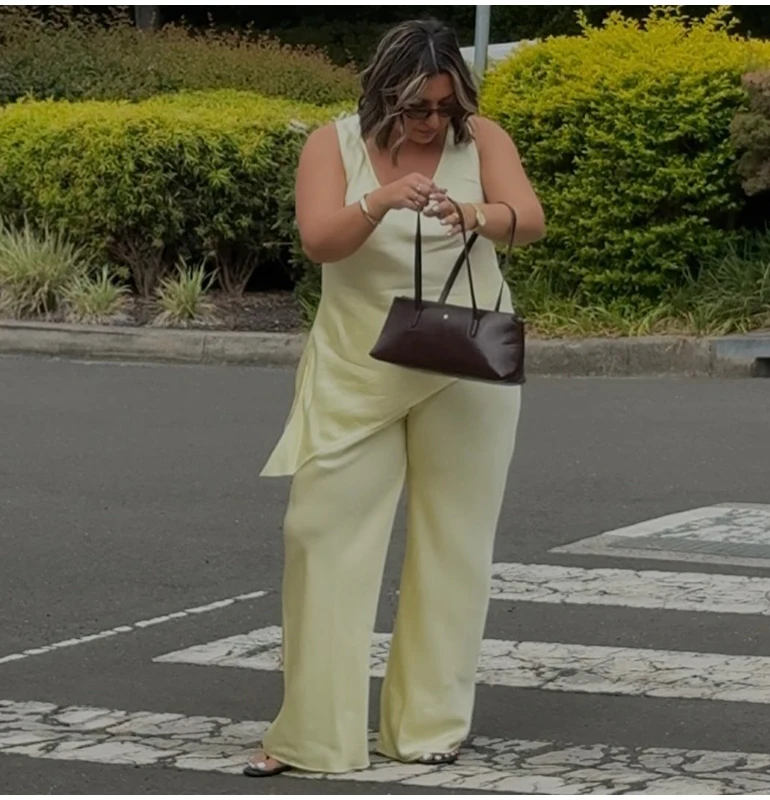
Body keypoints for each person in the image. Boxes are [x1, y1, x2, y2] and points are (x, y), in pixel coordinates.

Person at [245, 18, 546, 778]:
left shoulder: (483, 140)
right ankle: (313, 733)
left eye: (445, 106)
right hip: (356, 366)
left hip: (465, 363)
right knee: (320, 536)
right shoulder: (333, 144)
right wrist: (380, 201)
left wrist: (476, 214)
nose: (433, 121)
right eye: (417, 107)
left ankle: (426, 727)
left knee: (454, 545)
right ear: (383, 93)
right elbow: (319, 240)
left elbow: (530, 221)